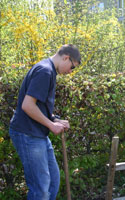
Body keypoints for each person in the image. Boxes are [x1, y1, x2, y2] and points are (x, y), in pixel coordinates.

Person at [9, 44, 81, 200]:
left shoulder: (49, 71)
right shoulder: (45, 71)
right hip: (28, 134)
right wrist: (51, 125)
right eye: (72, 67)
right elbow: (27, 106)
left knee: (53, 182)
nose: (70, 72)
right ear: (66, 57)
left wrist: (55, 119)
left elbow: (38, 106)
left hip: (38, 134)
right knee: (40, 189)